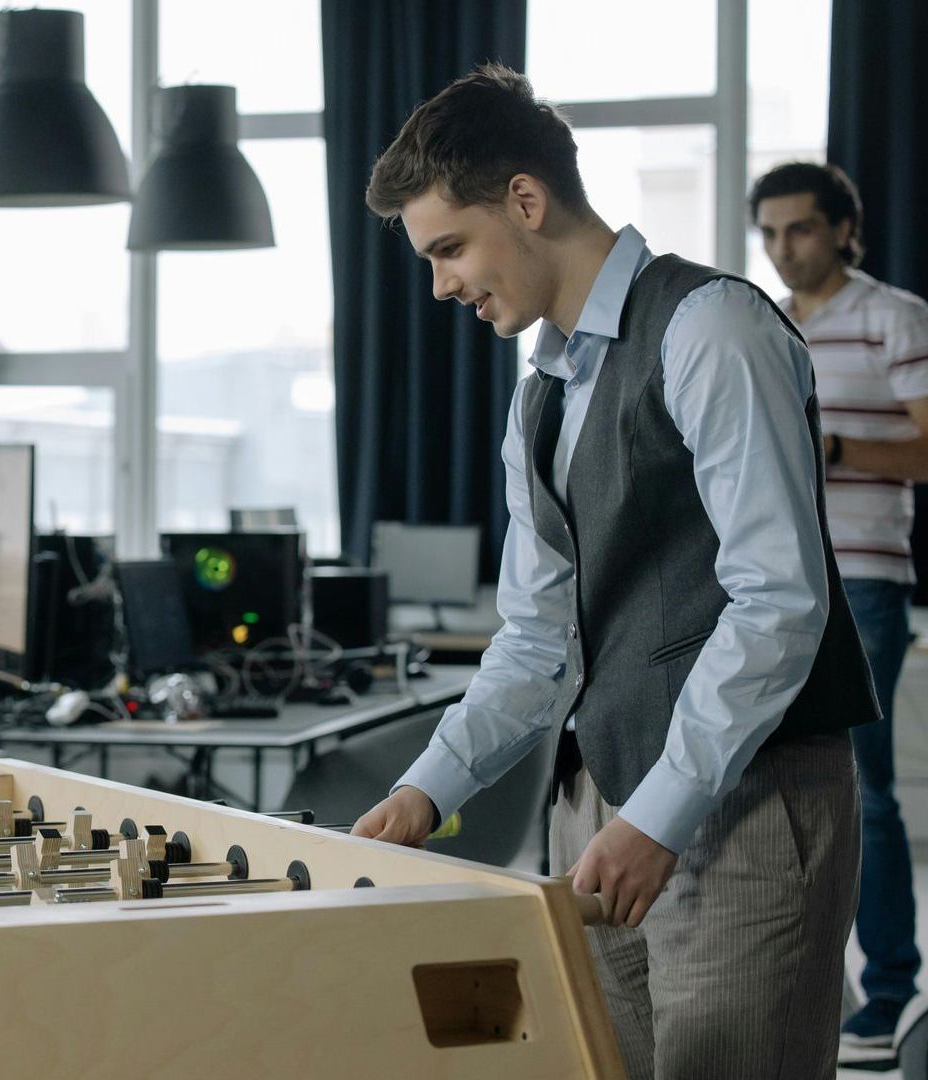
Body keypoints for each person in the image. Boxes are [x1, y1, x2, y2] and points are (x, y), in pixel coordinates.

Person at [349, 66, 874, 1079]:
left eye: (449, 248)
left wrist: (659, 815)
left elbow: (780, 602)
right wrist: (424, 793)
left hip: (742, 805)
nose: (441, 285)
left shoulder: (712, 328)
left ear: (526, 200)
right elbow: (539, 640)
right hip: (596, 812)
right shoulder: (538, 397)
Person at [751, 160, 928, 1046]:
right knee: (775, 793)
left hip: (864, 583)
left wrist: (830, 447)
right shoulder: (760, 325)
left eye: (799, 229)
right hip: (768, 586)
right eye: (768, 233)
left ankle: (889, 993)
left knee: (865, 791)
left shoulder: (895, 317)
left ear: (843, 227)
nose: (782, 248)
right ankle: (811, 989)